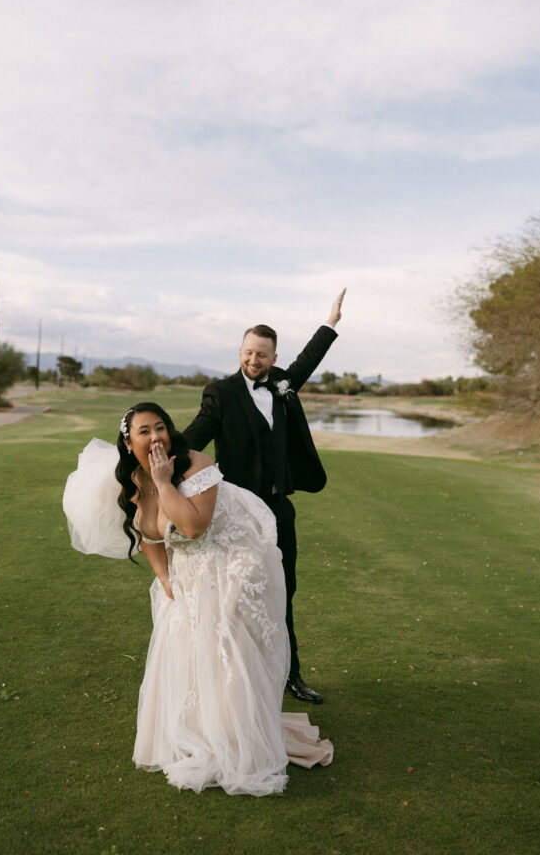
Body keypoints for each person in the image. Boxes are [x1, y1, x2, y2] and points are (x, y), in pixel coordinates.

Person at [63, 401, 333, 796]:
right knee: (188, 639)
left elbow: (192, 528)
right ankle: (204, 731)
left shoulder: (195, 464)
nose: (155, 436)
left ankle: (240, 738)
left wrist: (165, 481)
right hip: (189, 569)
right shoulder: (132, 481)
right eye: (144, 431)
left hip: (235, 558)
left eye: (161, 427)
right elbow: (150, 537)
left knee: (229, 642)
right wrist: (166, 580)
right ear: (128, 441)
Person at [182, 289, 346, 704]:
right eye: (249, 353)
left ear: (273, 359)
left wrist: (331, 322)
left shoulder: (282, 384)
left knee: (283, 590)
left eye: (263, 356)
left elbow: (307, 361)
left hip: (278, 510)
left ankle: (291, 676)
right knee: (239, 595)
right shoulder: (220, 393)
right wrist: (161, 449)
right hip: (237, 512)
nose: (254, 361)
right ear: (240, 350)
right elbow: (197, 435)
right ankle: (236, 679)